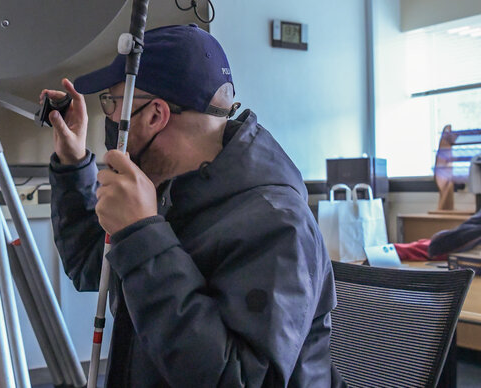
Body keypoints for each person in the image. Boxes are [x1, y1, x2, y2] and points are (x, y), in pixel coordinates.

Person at [40, 24, 339, 387]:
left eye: (113, 102)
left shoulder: (277, 224)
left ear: (155, 115)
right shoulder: (173, 193)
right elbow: (89, 266)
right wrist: (73, 166)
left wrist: (144, 236)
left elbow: (242, 380)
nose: (109, 115)